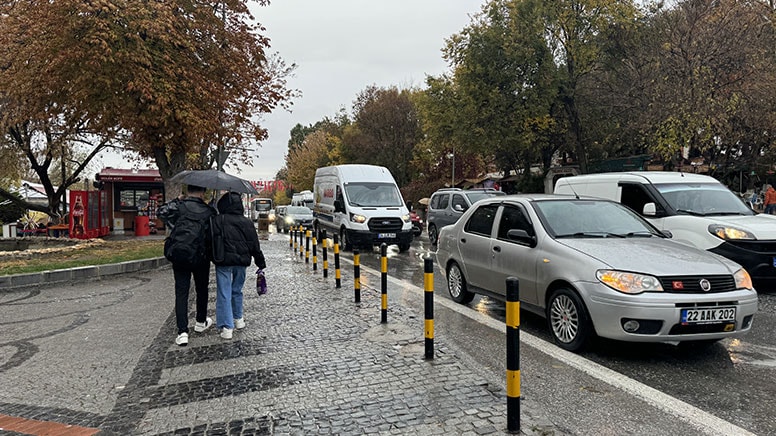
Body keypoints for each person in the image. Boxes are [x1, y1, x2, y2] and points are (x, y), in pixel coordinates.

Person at [159, 184, 217, 346]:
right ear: (203, 192)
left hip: (180, 254)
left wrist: (176, 201)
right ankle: (200, 322)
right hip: (201, 256)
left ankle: (182, 331)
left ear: (187, 191)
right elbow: (213, 235)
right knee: (202, 289)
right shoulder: (208, 211)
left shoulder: (179, 207)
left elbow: (161, 212)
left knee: (181, 292)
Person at [211, 191, 266, 340]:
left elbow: (212, 240)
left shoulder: (218, 220)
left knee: (224, 292)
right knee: (237, 290)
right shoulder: (247, 222)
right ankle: (238, 319)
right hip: (242, 261)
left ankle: (227, 327)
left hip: (223, 260)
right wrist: (260, 262)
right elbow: (254, 244)